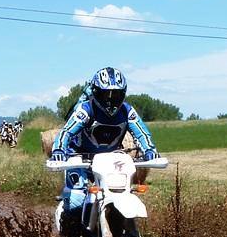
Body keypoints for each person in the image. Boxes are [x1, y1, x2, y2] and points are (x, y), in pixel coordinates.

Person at [50, 67, 159, 217]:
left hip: (109, 161)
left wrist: (150, 150)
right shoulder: (85, 109)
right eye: (105, 94)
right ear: (95, 92)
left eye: (115, 95)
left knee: (122, 191)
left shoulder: (127, 111)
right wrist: (58, 150)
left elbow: (142, 133)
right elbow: (66, 132)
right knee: (77, 199)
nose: (110, 100)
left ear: (123, 93)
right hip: (80, 159)